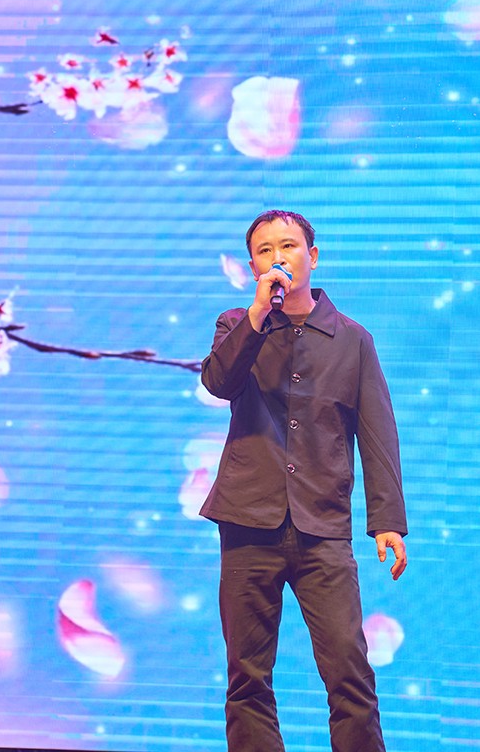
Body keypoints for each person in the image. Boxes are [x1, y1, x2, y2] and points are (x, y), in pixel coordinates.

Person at [200, 209, 408, 752]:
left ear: (312, 257)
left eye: (288, 246)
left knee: (349, 672)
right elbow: (219, 383)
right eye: (264, 251)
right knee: (247, 677)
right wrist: (256, 316)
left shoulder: (352, 339)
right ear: (253, 267)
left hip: (323, 528)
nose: (278, 258)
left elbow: (377, 432)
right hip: (247, 521)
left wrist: (386, 521)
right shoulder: (236, 325)